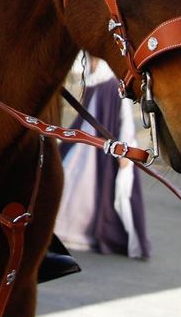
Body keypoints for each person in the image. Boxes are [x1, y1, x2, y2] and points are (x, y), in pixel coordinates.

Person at [54, 59, 150, 260]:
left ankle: (93, 232)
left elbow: (125, 115)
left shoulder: (111, 80)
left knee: (92, 187)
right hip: (85, 139)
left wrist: (126, 146)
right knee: (67, 175)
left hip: (103, 143)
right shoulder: (89, 73)